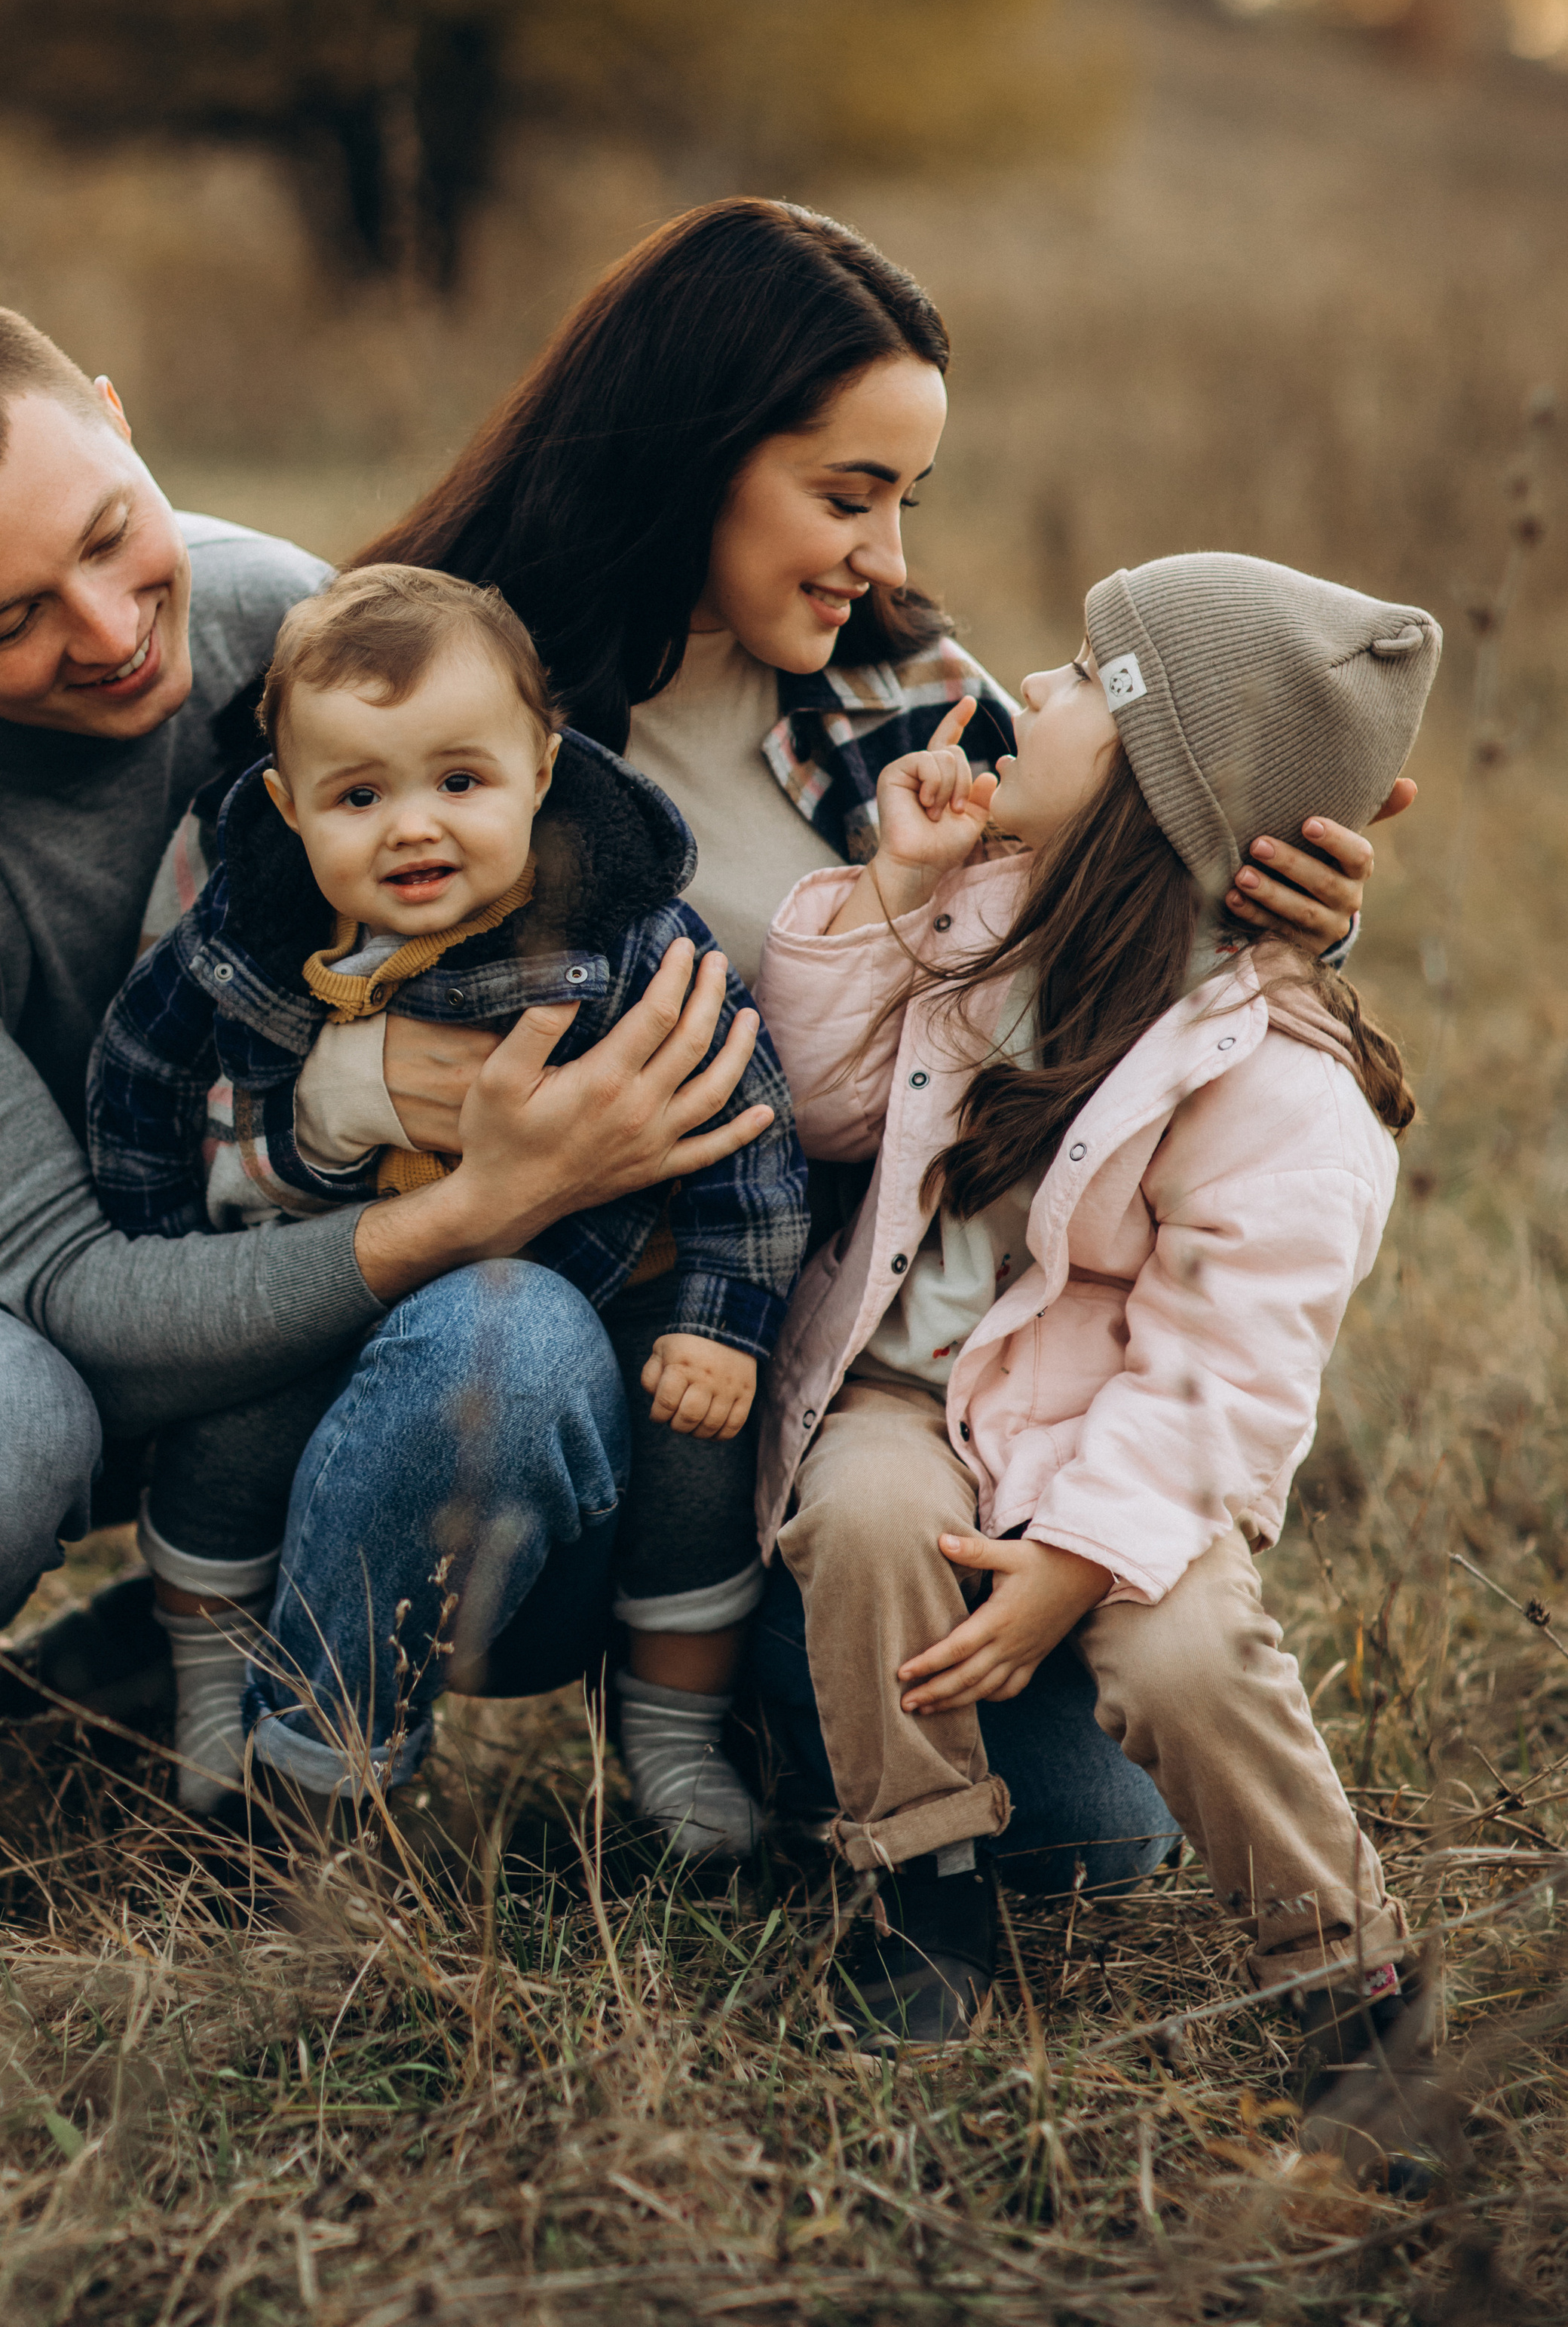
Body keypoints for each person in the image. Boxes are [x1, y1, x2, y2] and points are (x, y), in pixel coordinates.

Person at [0, 296, 770, 1922]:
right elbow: (69, 1295)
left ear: (116, 416)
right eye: (12, 618)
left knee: (399, 1316)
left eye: (113, 535)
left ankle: (113, 1685)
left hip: (141, 1211)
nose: (110, 631)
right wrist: (471, 1205)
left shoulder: (264, 620)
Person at [337, 198, 1407, 1876]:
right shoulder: (424, 698)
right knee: (504, 1360)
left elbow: (1080, 968)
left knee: (1085, 1839)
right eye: (846, 497)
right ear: (690, 459)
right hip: (514, 1361)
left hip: (806, 1407)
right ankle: (251, 1680)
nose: (889, 560)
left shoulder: (917, 702)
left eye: (907, 500)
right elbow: (228, 1014)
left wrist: (1267, 898)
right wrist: (363, 1083)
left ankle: (734, 1700)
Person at [754, 553, 1443, 2178]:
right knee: (859, 1516)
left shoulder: (1278, 1082)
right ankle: (917, 1895)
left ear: (1153, 782)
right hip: (909, 1405)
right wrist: (887, 895)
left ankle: (1350, 1977)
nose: (1030, 692)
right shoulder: (987, 917)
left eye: (1076, 676)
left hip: (1115, 1464)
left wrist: (1079, 1558)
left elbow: (1224, 1369)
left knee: (1180, 1665)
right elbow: (822, 1107)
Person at [87, 563, 806, 1848]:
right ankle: (220, 1707)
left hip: (591, 1310)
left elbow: (748, 1131)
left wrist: (720, 1318)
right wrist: (161, 1252)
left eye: (459, 783)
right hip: (329, 1287)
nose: (414, 827)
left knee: (702, 1452)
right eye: (360, 796)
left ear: (543, 765)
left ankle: (676, 1737)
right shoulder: (248, 934)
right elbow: (137, 1071)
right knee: (219, 1447)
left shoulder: (626, 934)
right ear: (289, 809)